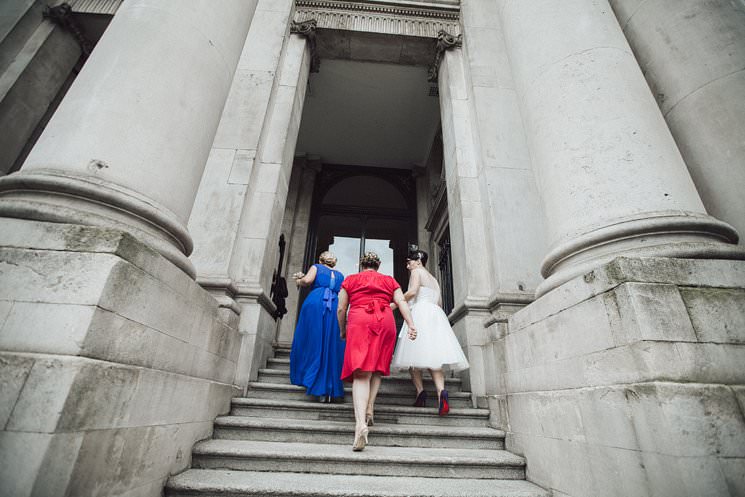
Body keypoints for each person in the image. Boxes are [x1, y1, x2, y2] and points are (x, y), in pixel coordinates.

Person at [337, 251, 417, 451]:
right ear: (378, 265)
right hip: (385, 321)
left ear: (361, 265)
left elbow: (341, 308)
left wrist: (342, 329)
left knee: (361, 373)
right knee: (377, 367)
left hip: (360, 320)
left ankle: (360, 425)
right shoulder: (389, 280)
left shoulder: (351, 279)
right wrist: (411, 324)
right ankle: (370, 408)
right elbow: (401, 302)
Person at [390, 249, 469, 416]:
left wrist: (395, 304)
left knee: (412, 356)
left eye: (409, 261)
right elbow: (438, 302)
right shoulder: (434, 280)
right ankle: (441, 392)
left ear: (418, 261)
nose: (407, 265)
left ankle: (420, 392)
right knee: (434, 357)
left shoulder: (417, 272)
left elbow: (412, 292)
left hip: (420, 313)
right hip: (435, 315)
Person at [290, 251, 346, 403]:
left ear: (321, 260)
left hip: (316, 302)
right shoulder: (340, 275)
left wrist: (299, 280)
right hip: (334, 304)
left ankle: (308, 376)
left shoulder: (316, 267)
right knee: (329, 342)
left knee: (311, 338)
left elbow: (307, 281)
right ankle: (329, 386)